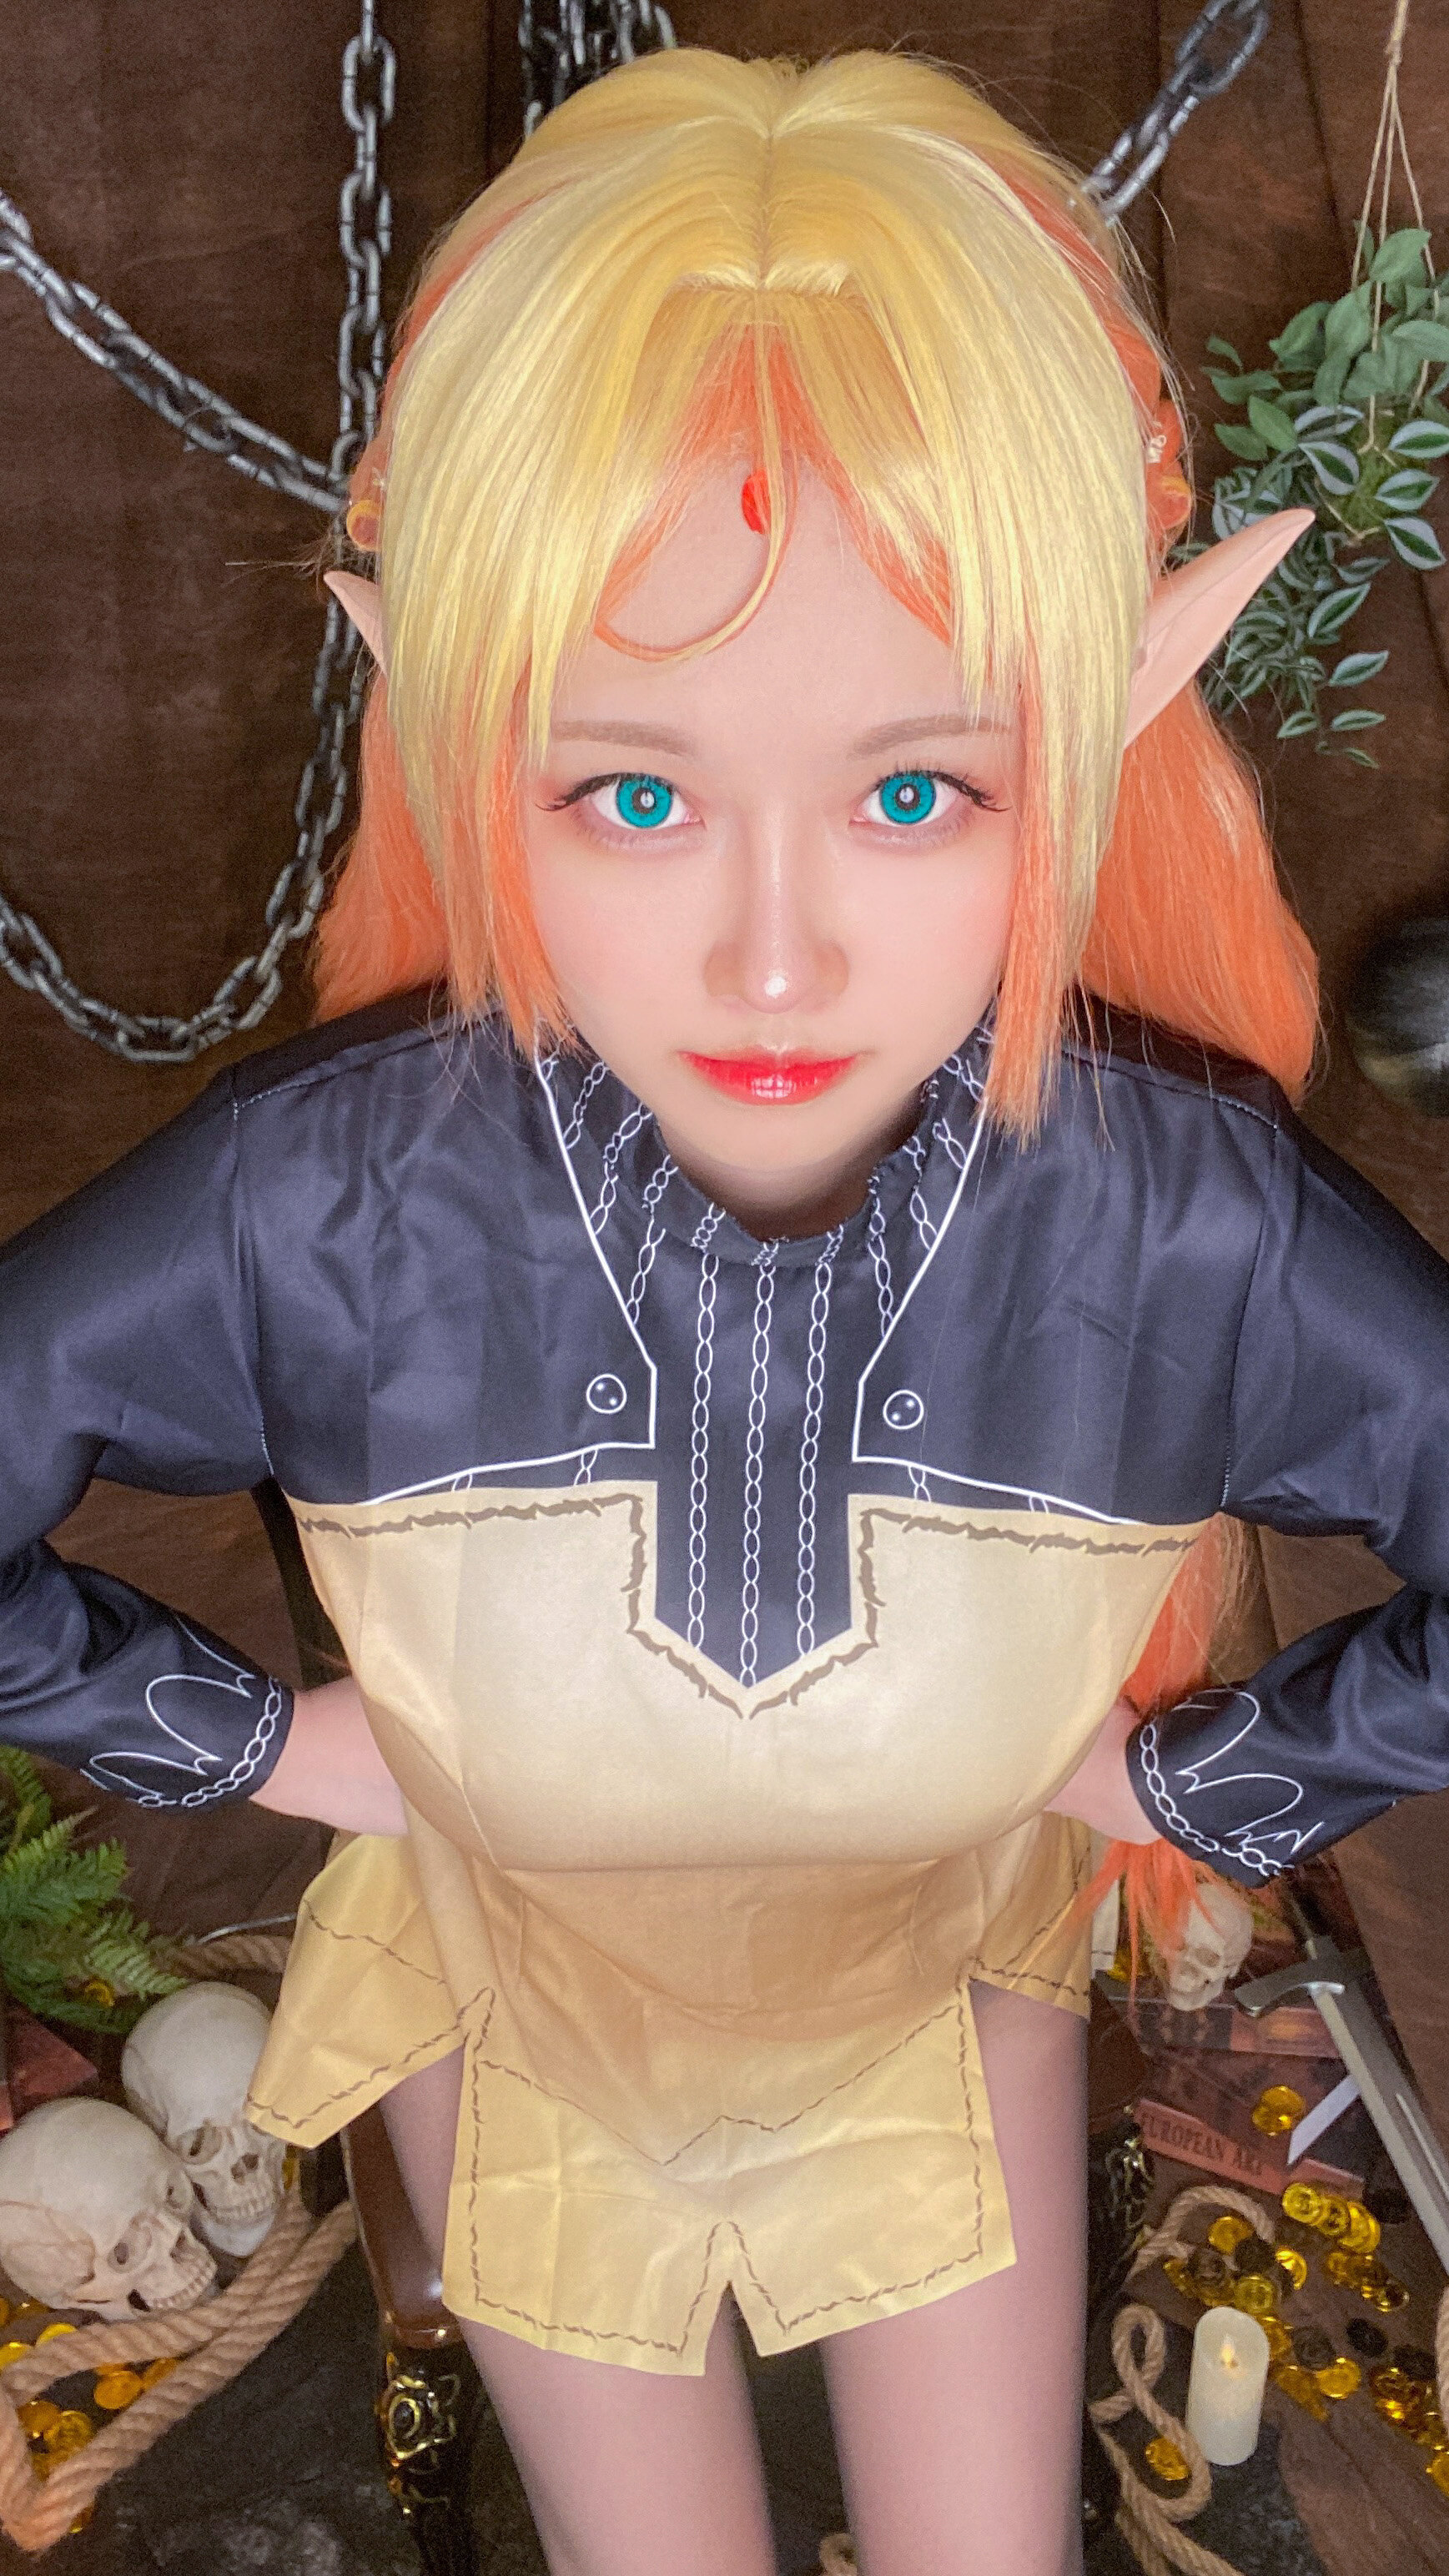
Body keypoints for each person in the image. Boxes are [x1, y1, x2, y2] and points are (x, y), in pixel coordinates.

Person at [3, 48, 1448, 2576]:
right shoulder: (320, 1199)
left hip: (935, 2010)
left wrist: (1209, 1788)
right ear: (455, 719)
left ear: (1107, 722)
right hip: (519, 2022)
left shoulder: (1183, 1226)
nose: (774, 957)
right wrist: (256, 1738)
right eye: (637, 793)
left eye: (914, 790)